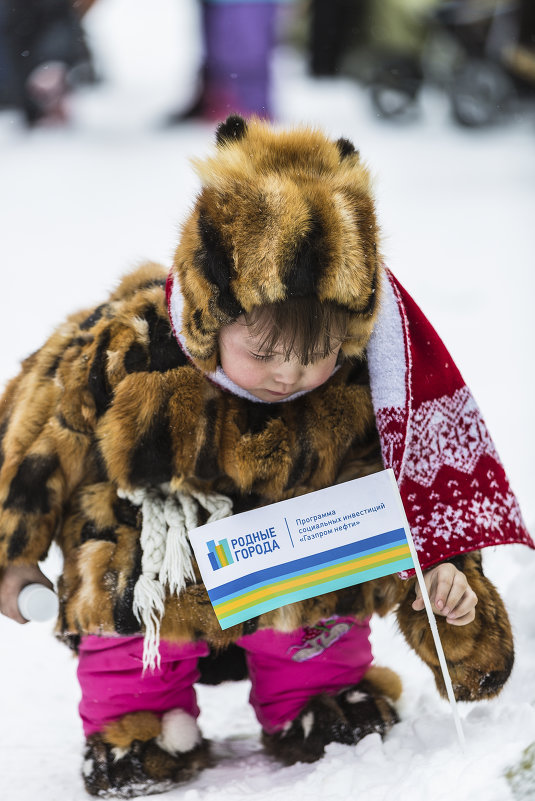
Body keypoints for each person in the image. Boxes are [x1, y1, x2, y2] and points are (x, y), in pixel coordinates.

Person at [0, 115, 532, 798]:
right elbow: (36, 433)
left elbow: (413, 493)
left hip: (290, 567)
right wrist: (15, 552)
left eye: (317, 353)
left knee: (319, 620)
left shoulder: (371, 381)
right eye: (265, 352)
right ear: (209, 312)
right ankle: (138, 722)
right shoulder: (127, 347)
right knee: (127, 608)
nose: (290, 373)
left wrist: (442, 572)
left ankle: (319, 700)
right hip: (160, 557)